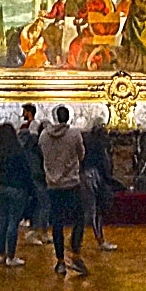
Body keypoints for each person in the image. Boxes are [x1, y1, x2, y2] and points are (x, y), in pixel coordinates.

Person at [38, 106, 88, 276]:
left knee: (57, 223)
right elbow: (81, 155)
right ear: (68, 118)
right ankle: (75, 252)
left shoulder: (44, 136)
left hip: (53, 185)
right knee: (79, 219)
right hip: (71, 184)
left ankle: (60, 261)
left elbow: (42, 155)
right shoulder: (74, 135)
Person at [0, 123, 35, 267]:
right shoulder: (18, 151)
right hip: (16, 188)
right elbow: (26, 170)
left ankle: (2, 254)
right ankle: (11, 255)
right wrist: (30, 189)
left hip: (0, 186)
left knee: (2, 220)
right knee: (13, 222)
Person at [81, 121, 122, 251]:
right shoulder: (98, 146)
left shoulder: (88, 143)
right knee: (92, 212)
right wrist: (114, 182)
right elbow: (103, 167)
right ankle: (97, 241)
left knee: (91, 211)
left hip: (88, 177)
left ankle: (77, 240)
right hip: (93, 178)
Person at [18, 104, 50, 246]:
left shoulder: (30, 131)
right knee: (42, 203)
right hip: (37, 173)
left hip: (33, 172)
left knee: (41, 203)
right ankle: (38, 231)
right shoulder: (30, 135)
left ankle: (40, 231)